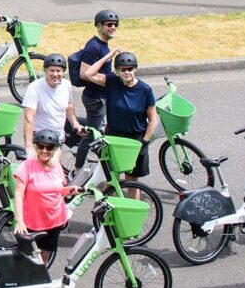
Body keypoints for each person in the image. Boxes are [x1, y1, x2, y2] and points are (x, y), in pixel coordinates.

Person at [81, 50, 157, 197]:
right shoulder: (112, 82)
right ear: (117, 70)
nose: (126, 72)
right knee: (111, 178)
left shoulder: (145, 90)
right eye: (122, 69)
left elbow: (153, 119)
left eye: (130, 69)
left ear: (135, 69)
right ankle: (108, 213)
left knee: (132, 180)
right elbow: (89, 74)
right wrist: (108, 57)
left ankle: (132, 214)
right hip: (114, 137)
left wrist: (144, 141)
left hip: (135, 139)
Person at [12, 128, 77, 266]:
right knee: (26, 259)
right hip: (32, 223)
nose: (45, 150)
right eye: (41, 146)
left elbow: (57, 191)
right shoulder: (27, 166)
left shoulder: (57, 167)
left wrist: (71, 190)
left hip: (54, 222)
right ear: (36, 147)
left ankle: (36, 285)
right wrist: (20, 221)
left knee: (44, 256)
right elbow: (18, 195)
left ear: (55, 149)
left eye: (49, 147)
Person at [21, 53, 84, 150]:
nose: (55, 74)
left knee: (55, 164)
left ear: (63, 72)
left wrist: (74, 122)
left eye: (58, 71)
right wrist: (28, 144)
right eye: (51, 71)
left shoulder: (66, 85)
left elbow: (68, 105)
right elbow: (28, 118)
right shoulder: (34, 88)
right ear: (45, 71)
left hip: (58, 138)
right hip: (40, 140)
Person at [72, 10, 119, 131]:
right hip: (95, 98)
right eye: (109, 24)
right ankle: (81, 147)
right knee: (92, 134)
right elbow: (84, 74)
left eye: (115, 24)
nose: (113, 27)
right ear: (99, 26)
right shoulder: (94, 47)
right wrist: (108, 81)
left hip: (101, 95)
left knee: (101, 128)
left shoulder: (103, 44)